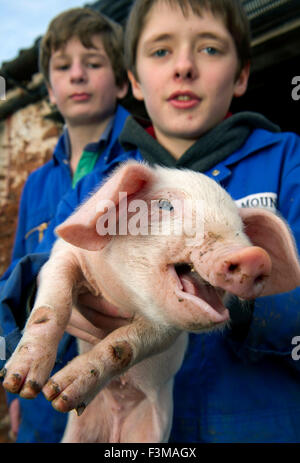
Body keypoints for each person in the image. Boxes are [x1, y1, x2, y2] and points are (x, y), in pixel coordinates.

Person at [2, 0, 300, 443]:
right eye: (161, 51)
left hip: (249, 425)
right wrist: (39, 302)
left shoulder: (285, 160)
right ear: (135, 81)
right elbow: (55, 257)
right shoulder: (110, 174)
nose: (184, 67)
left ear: (241, 76)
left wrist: (228, 294)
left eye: (210, 49)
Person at [0, 6, 135, 442]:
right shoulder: (37, 182)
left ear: (120, 81)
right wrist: (15, 395)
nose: (77, 75)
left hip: (120, 389)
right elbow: (15, 277)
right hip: (41, 396)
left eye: (93, 63)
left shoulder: (143, 166)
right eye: (63, 67)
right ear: (51, 92)